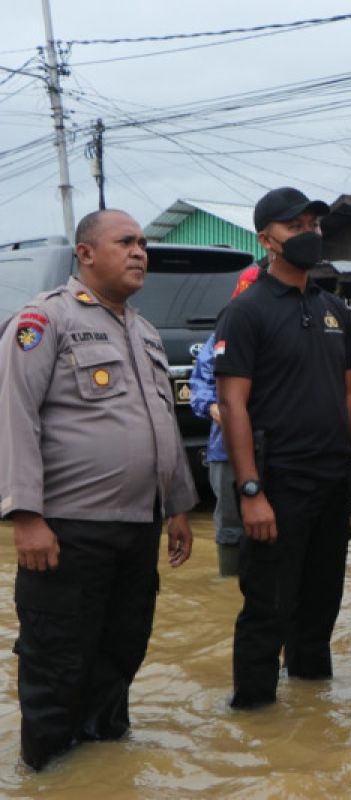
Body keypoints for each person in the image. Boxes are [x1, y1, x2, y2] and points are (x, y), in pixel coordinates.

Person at [0, 209, 196, 770]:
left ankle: (106, 770)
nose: (140, 251)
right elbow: (13, 416)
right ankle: (48, 773)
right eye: (125, 242)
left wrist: (178, 506)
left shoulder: (145, 331)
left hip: (136, 528)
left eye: (142, 243)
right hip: (66, 529)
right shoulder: (45, 320)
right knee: (57, 661)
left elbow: (163, 424)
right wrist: (26, 517)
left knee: (121, 652)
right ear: (86, 254)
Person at [214, 187, 351, 710]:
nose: (308, 234)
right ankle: (255, 719)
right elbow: (233, 405)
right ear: (267, 240)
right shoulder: (247, 312)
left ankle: (311, 717)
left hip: (334, 480)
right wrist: (250, 491)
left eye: (313, 224)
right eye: (295, 226)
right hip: (278, 481)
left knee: (322, 603)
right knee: (268, 605)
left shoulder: (332, 307)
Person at [189, 265, 260, 577]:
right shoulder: (220, 338)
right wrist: (214, 407)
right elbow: (199, 387)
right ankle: (230, 580)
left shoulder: (287, 332)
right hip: (225, 447)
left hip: (280, 448)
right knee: (231, 523)